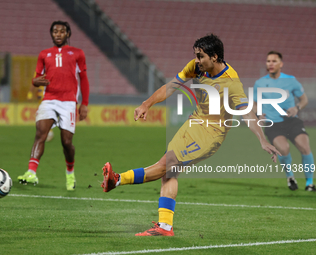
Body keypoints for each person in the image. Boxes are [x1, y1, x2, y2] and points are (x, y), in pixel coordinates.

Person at [101, 34, 280, 236]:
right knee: (169, 172)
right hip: (193, 124)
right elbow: (171, 86)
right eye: (195, 55)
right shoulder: (196, 67)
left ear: (214, 57)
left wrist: (262, 140)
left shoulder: (231, 82)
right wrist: (146, 104)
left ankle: (116, 180)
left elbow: (246, 112)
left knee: (166, 165)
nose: (196, 60)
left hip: (211, 134)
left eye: (200, 56)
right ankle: (165, 227)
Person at [18, 20, 90, 191]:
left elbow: (84, 79)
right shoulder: (44, 54)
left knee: (66, 142)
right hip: (49, 99)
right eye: (55, 31)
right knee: (40, 134)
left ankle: (70, 171)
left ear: (68, 34)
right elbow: (37, 78)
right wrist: (35, 82)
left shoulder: (77, 53)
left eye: (62, 31)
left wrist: (84, 104)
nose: (58, 34)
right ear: (51, 34)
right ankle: (31, 172)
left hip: (68, 102)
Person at [253, 51, 315, 191]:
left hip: (291, 120)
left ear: (281, 64)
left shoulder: (291, 80)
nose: (271, 64)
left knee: (304, 147)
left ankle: (309, 183)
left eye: (274, 61)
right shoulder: (260, 83)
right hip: (273, 123)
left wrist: (296, 108)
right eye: (268, 61)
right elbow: (255, 103)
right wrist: (259, 113)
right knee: (284, 149)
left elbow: (304, 99)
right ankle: (290, 177)